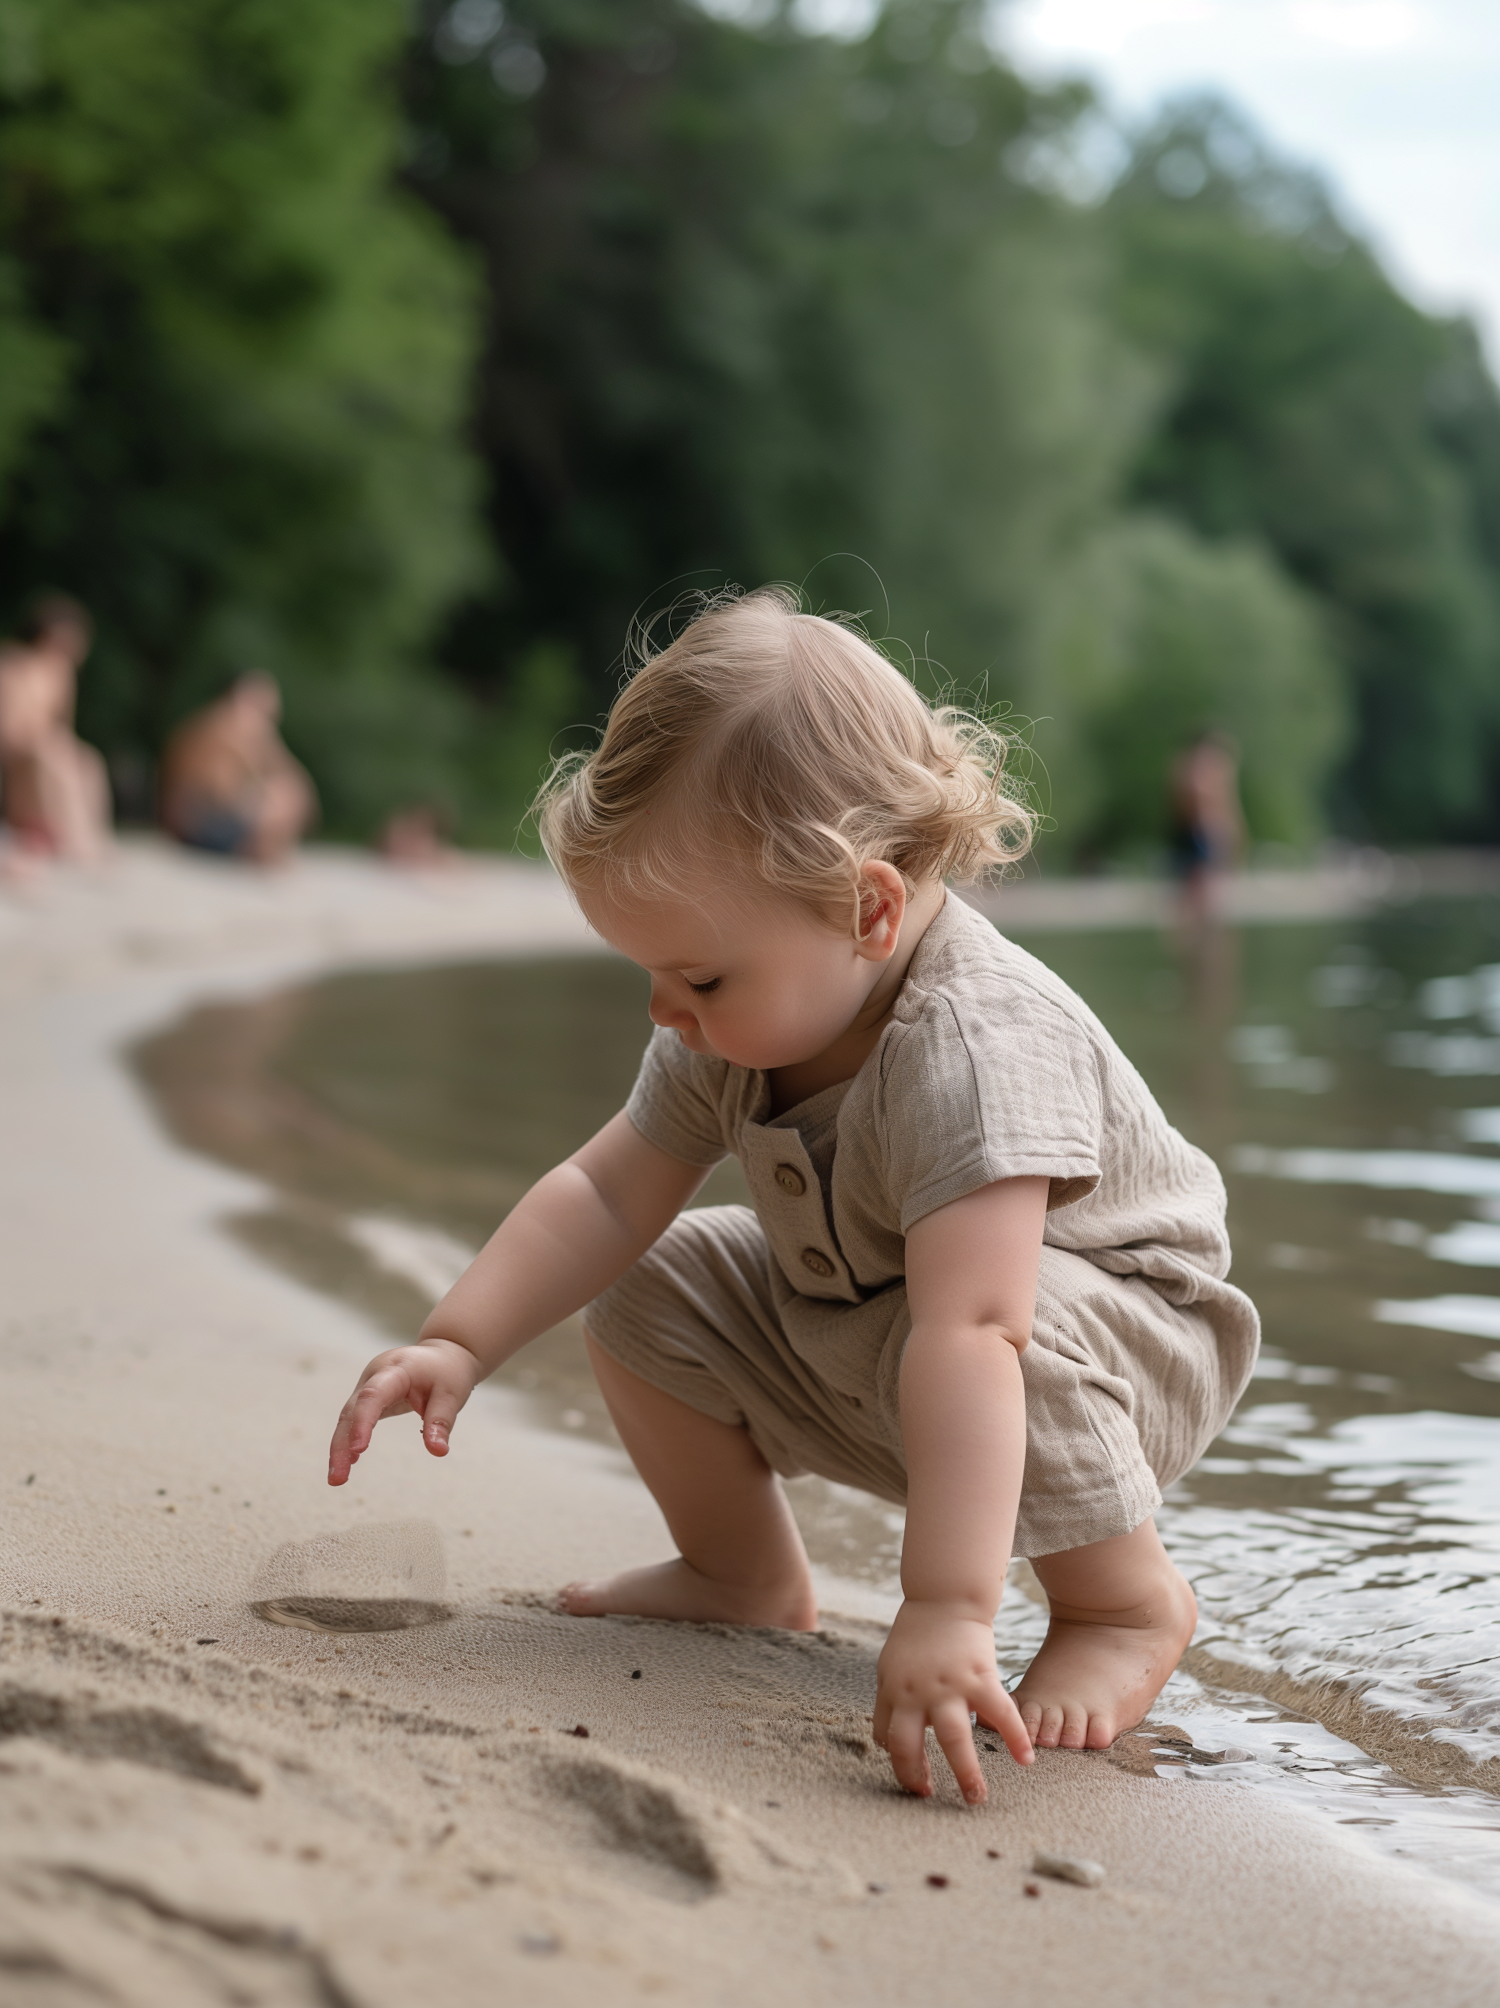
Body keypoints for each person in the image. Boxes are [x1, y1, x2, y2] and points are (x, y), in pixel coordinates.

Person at [327, 588, 1259, 1804]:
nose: (667, 1010)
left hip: (1114, 1349)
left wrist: (944, 1606)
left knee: (997, 1326)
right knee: (649, 1287)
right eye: (654, 974)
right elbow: (611, 1190)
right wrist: (461, 1338)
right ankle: (742, 1574)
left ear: (868, 909)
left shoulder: (975, 1044)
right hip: (884, 1327)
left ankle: (1121, 1600)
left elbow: (978, 1329)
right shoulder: (738, 1020)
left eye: (698, 974)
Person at [158, 671, 317, 865]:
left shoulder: (210, 722)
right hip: (202, 827)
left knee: (283, 790)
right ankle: (260, 849)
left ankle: (262, 848)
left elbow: (298, 784)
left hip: (184, 826)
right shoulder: (234, 727)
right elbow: (222, 792)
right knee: (281, 793)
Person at [0, 594, 113, 863]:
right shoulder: (14, 665)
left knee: (87, 760)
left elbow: (62, 729)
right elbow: (9, 727)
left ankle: (94, 835)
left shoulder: (63, 675)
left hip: (41, 745)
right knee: (51, 757)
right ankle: (74, 839)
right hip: (16, 748)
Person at [1168, 730, 1244, 924]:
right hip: (1203, 830)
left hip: (1194, 830)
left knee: (1199, 892)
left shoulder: (1183, 764)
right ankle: (1204, 937)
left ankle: (1199, 937)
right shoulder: (1211, 765)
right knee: (1203, 891)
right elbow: (1224, 804)